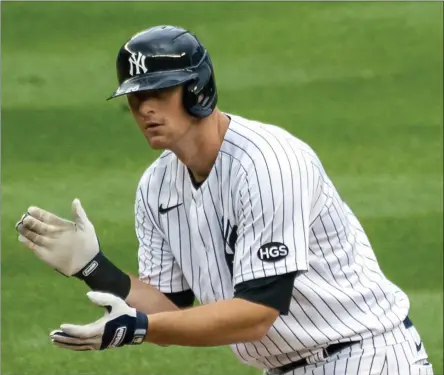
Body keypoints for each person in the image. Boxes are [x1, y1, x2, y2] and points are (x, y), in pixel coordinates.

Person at [16, 25, 434, 375]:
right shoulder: (156, 186)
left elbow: (258, 313)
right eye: (136, 97)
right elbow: (171, 312)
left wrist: (140, 328)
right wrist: (93, 267)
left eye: (160, 93)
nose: (145, 109)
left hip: (366, 357)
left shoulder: (269, 163)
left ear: (197, 90)